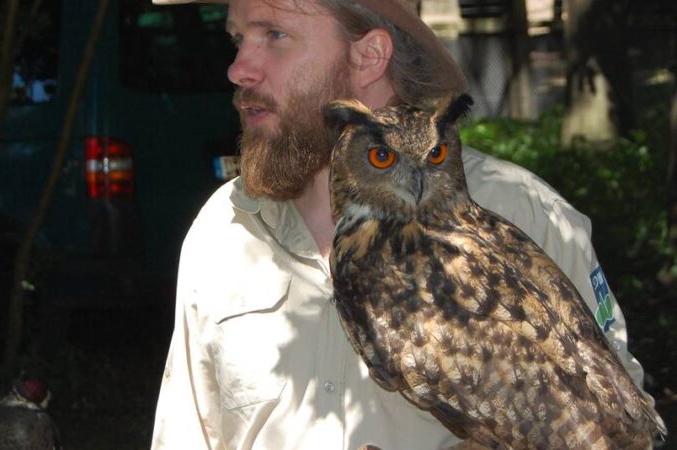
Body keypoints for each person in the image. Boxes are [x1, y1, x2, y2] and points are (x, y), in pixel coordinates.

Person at [148, 0, 649, 448]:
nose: (238, 68)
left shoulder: (527, 213)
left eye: (274, 35)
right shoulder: (226, 228)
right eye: (238, 39)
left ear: (369, 55)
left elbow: (611, 428)